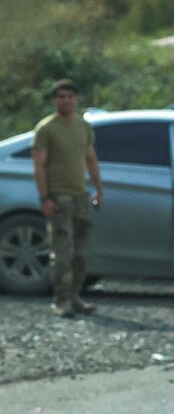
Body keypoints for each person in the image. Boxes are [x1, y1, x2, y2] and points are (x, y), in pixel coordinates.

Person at [32, 79, 103, 318]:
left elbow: (90, 159)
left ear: (76, 99)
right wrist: (45, 198)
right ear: (54, 100)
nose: (66, 100)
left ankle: (75, 297)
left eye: (70, 96)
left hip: (80, 195)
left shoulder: (83, 126)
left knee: (80, 252)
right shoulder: (46, 128)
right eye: (61, 96)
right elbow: (39, 166)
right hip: (58, 196)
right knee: (62, 251)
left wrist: (99, 189)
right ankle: (60, 300)